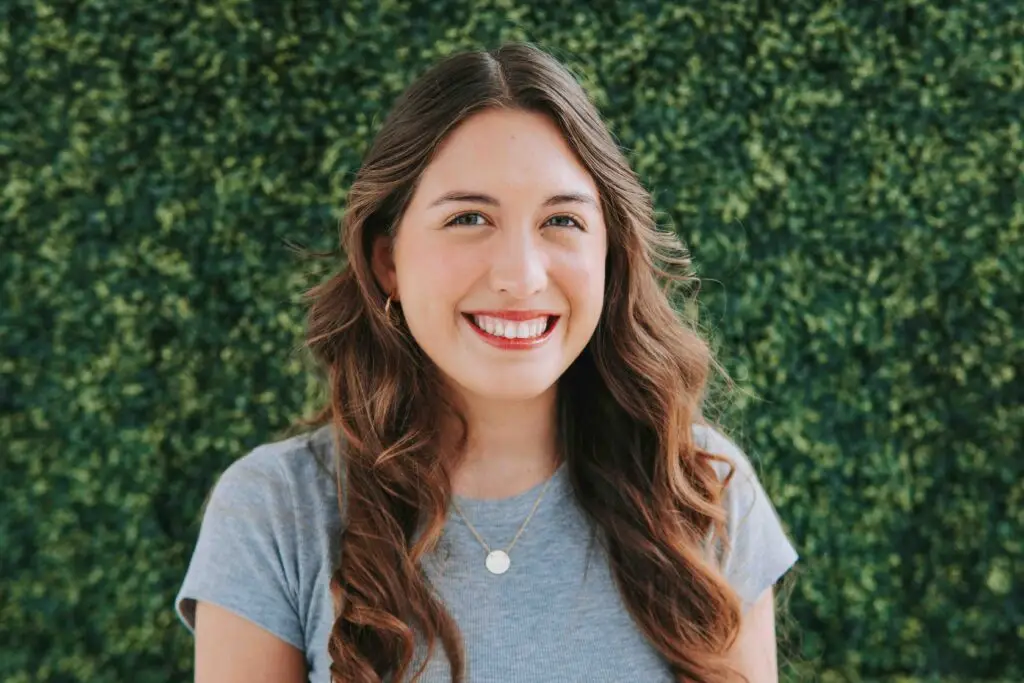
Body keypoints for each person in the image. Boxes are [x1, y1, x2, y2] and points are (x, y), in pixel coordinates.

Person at [174, 42, 799, 683]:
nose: (521, 277)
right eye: (469, 218)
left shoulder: (702, 491)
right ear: (389, 262)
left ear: (609, 256)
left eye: (562, 220)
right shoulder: (277, 511)